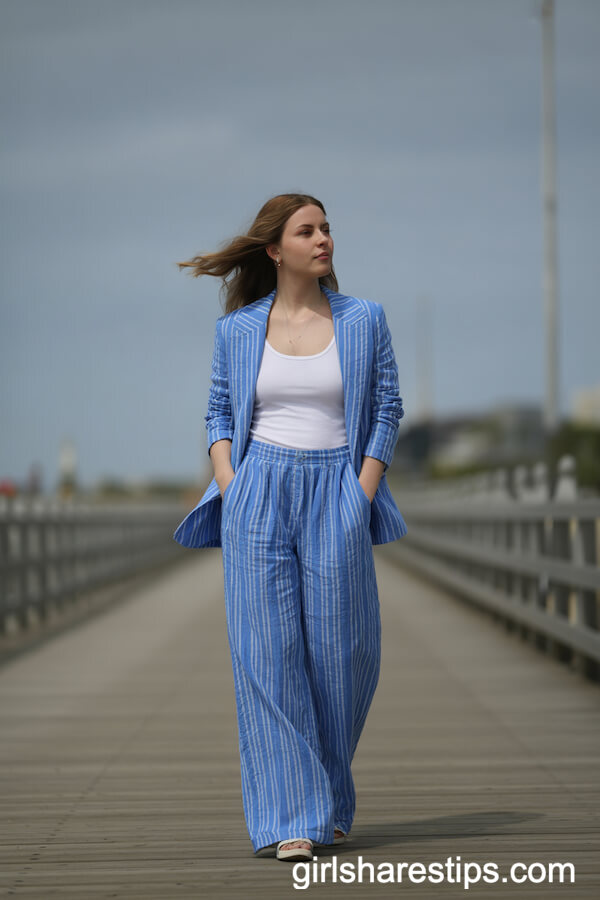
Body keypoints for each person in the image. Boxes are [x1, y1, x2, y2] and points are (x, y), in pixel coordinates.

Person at [173, 192, 407, 862]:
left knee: (344, 657)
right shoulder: (239, 330)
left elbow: (387, 406)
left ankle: (327, 793)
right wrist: (232, 484)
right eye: (308, 230)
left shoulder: (365, 320)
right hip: (259, 489)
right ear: (276, 249)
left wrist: (359, 497)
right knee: (266, 658)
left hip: (337, 486)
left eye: (327, 228)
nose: (323, 239)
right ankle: (291, 817)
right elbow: (219, 411)